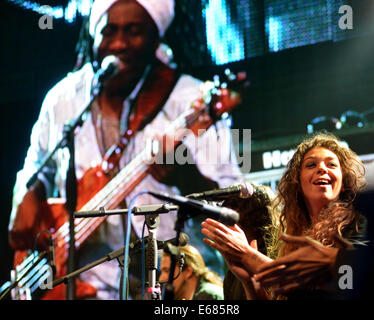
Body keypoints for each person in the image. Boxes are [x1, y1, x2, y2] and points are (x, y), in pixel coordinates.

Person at [8, 0, 242, 300]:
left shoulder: (189, 99)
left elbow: (234, 204)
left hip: (176, 286)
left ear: (155, 37)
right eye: (109, 30)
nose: (118, 43)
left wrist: (185, 176)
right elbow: (37, 164)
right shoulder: (64, 99)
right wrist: (24, 196)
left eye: (133, 31)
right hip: (82, 286)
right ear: (93, 35)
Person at [201, 132, 368, 299]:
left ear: (344, 182)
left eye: (331, 164)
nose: (322, 168)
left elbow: (347, 282)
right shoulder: (292, 237)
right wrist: (250, 281)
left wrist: (247, 255)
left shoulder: (358, 224)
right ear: (297, 183)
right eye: (311, 165)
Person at [158, 244, 224, 300]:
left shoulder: (209, 296)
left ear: (188, 271)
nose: (161, 279)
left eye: (167, 271)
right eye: (162, 272)